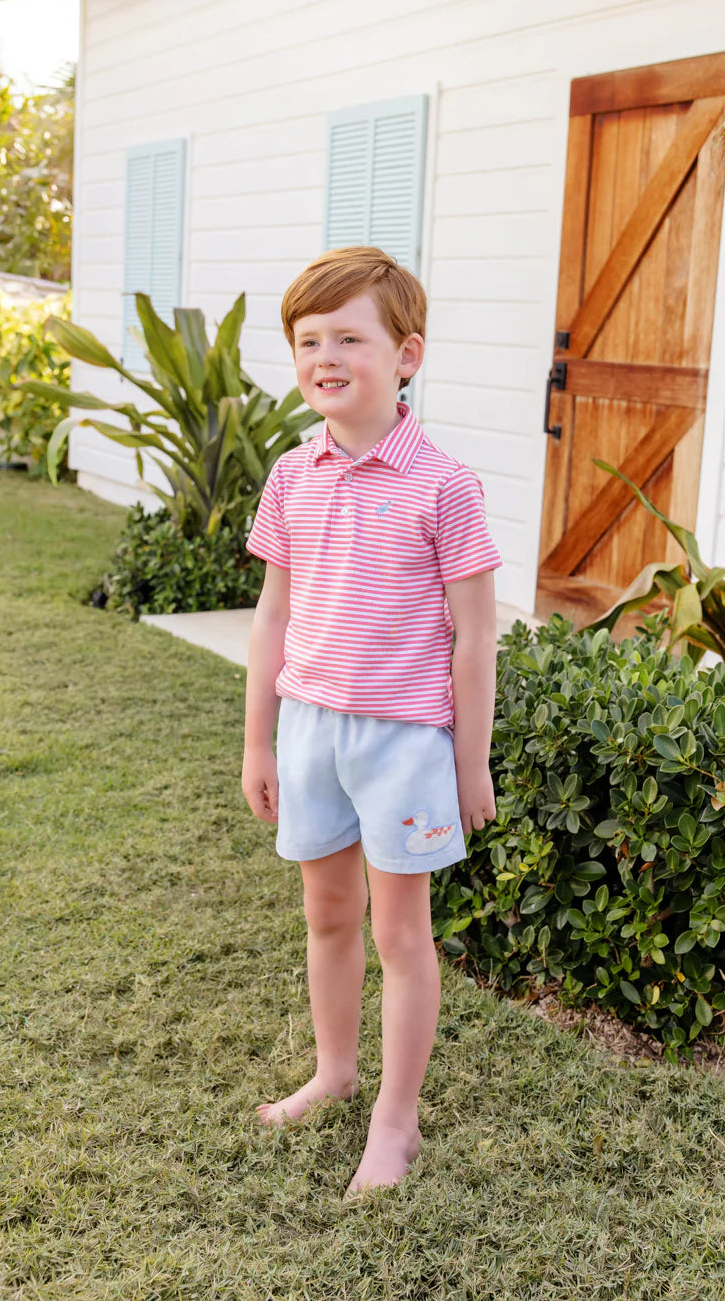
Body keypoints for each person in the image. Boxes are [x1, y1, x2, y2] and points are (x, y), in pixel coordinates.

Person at [241, 245, 501, 1196]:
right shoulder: (290, 475)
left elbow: (476, 638)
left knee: (402, 935)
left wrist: (469, 764)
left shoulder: (445, 484)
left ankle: (396, 1119)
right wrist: (257, 738)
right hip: (310, 728)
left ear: (407, 355)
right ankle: (336, 1073)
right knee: (328, 914)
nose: (324, 355)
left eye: (348, 335)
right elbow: (272, 613)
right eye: (308, 339)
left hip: (404, 743)